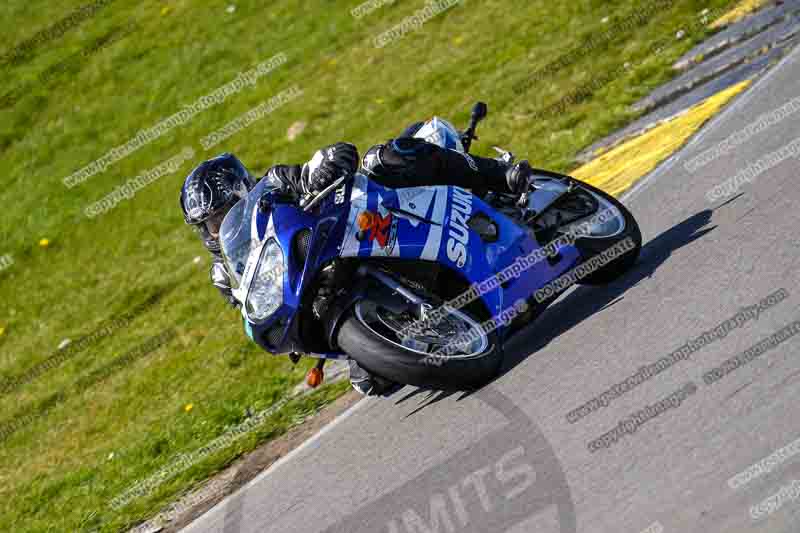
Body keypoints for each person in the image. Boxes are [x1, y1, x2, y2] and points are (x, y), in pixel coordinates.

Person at [179, 128, 535, 395]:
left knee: (384, 159)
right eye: (209, 224)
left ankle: (499, 176)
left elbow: (322, 163)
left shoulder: (273, 186)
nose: (217, 228)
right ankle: (428, 325)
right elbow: (249, 305)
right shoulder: (225, 273)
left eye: (221, 215)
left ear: (242, 191)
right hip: (327, 291)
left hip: (360, 227)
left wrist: (324, 167)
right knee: (370, 380)